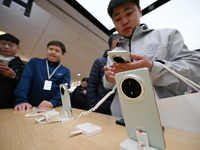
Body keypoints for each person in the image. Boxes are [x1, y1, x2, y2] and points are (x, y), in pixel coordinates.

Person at [103, 0, 200, 117]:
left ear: (139, 11)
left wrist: (153, 68)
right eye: (118, 19)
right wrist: (110, 78)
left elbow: (195, 69)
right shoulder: (114, 52)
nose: (124, 21)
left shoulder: (167, 36)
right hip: (122, 117)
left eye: (129, 13)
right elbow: (107, 85)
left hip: (166, 117)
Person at [14, 40, 70, 111]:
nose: (53, 52)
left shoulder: (65, 71)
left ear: (62, 54)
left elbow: (64, 91)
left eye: (57, 50)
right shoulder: (34, 62)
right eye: (50, 49)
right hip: (29, 106)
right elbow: (25, 81)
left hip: (53, 108)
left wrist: (53, 102)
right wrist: (21, 100)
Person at [87, 34, 121, 115]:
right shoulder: (100, 61)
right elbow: (91, 86)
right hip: (101, 107)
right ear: (115, 43)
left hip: (119, 109)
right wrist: (92, 108)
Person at [0, 33, 25, 109]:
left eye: (10, 45)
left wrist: (14, 76)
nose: (6, 47)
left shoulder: (21, 65)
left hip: (9, 105)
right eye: (3, 44)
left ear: (18, 48)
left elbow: (24, 85)